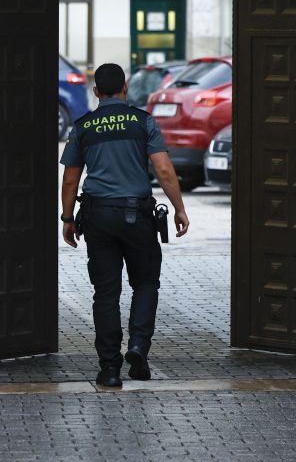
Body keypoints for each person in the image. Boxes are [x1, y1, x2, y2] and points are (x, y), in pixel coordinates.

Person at [59, 63, 190, 388]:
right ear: (126, 89)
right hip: (138, 216)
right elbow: (164, 170)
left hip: (98, 217)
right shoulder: (143, 122)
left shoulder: (83, 126)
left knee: (106, 293)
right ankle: (138, 347)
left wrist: (67, 218)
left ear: (95, 92)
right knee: (145, 284)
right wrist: (179, 209)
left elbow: (70, 179)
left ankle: (110, 369)